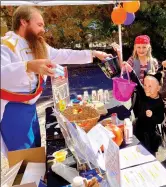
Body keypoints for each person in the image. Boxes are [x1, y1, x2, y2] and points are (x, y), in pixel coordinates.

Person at [0, 5, 112, 155]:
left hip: (31, 109)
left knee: (36, 150)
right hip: (13, 111)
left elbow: (64, 55)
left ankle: (36, 177)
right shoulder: (6, 46)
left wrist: (93, 53)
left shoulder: (38, 45)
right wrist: (28, 66)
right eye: (39, 25)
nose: (43, 30)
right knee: (23, 157)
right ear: (23, 22)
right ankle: (26, 178)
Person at [112, 35, 158, 118]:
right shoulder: (132, 60)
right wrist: (119, 53)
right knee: (138, 115)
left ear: (148, 47)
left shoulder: (153, 62)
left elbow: (157, 80)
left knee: (149, 116)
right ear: (135, 47)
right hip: (136, 95)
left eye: (144, 47)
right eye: (139, 47)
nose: (141, 50)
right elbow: (122, 68)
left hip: (150, 95)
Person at [130, 70, 165, 156]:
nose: (146, 88)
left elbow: (160, 119)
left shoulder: (159, 102)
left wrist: (152, 115)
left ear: (158, 88)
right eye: (145, 85)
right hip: (138, 126)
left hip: (149, 133)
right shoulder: (144, 94)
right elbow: (137, 84)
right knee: (135, 150)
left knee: (148, 153)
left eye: (150, 86)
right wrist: (131, 71)